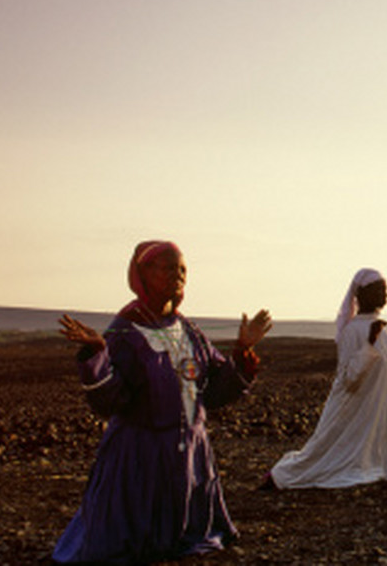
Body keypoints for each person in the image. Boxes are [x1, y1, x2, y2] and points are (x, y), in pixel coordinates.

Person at [52, 240, 271, 565]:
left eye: (182, 268)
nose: (177, 274)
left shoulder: (189, 331)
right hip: (140, 454)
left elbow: (212, 392)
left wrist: (241, 352)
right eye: (168, 267)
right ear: (143, 274)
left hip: (188, 451)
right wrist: (96, 354)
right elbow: (110, 400)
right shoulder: (125, 331)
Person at [264, 268, 387, 489]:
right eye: (378, 290)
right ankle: (281, 476)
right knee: (324, 451)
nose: (384, 296)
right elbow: (350, 379)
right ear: (361, 295)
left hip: (372, 411)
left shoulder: (382, 331)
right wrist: (369, 344)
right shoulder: (353, 331)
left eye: (385, 290)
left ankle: (365, 467)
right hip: (350, 409)